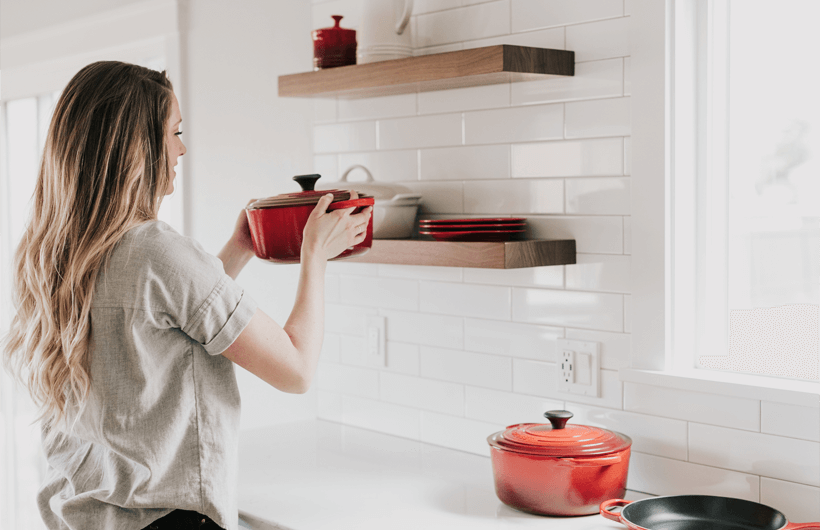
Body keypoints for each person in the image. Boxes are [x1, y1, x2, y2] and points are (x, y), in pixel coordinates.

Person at [1, 61, 371, 530]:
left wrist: (238, 249)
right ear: (136, 149)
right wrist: (315, 253)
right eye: (174, 132)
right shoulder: (158, 251)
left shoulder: (52, 255)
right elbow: (296, 370)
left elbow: (162, 318)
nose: (182, 148)